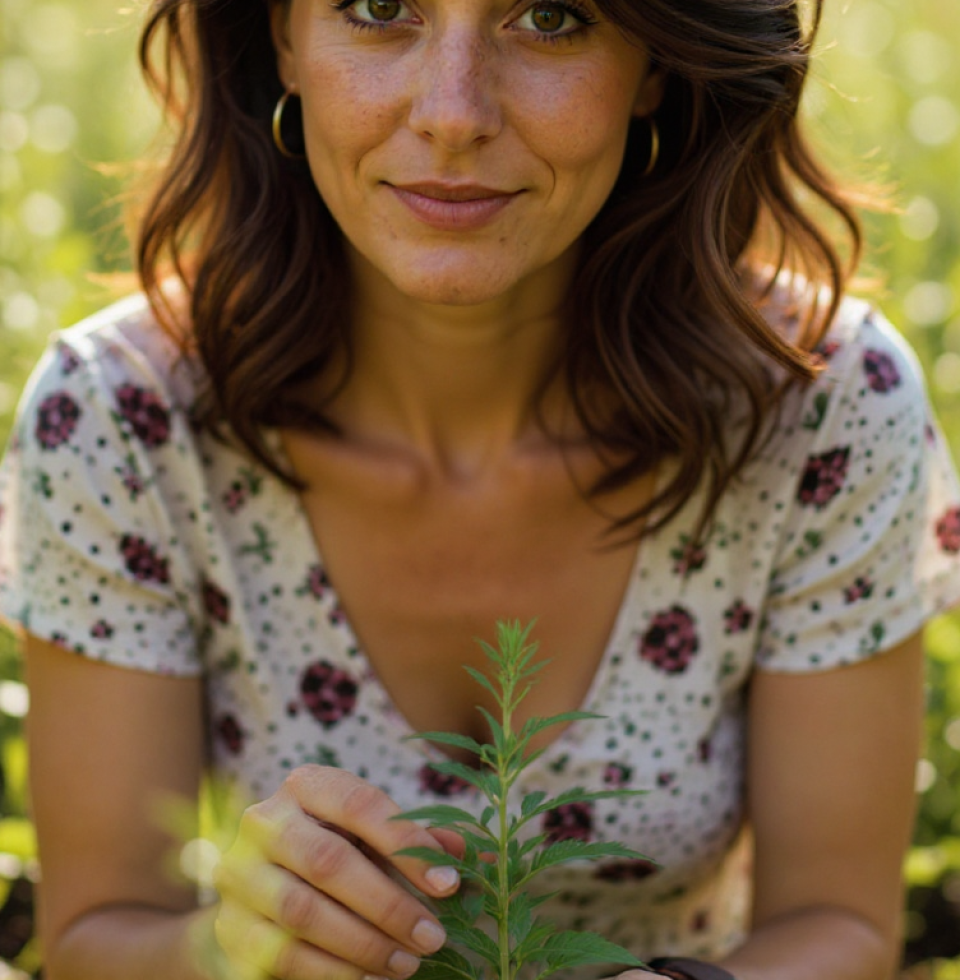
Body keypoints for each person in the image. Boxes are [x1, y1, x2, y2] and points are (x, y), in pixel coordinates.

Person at [1, 0, 959, 977]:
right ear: (283, 37)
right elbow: (92, 934)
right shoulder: (120, 415)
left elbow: (842, 923)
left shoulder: (819, 406)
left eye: (550, 16)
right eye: (378, 9)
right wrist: (233, 949)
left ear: (657, 65)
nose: (454, 114)